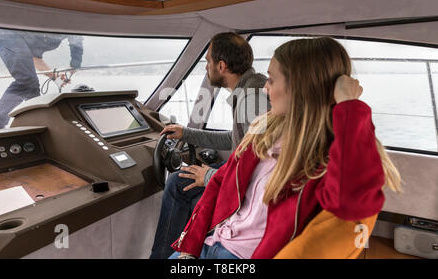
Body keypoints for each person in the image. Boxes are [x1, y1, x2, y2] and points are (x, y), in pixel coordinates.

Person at [170, 37, 402, 259]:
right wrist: (188, 250)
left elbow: (351, 203)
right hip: (211, 243)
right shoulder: (264, 133)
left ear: (300, 88)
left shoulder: (329, 161)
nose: (265, 88)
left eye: (271, 79)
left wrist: (350, 106)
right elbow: (221, 181)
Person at [150, 32, 270, 259]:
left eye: (207, 61)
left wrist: (210, 177)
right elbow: (235, 141)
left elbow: (263, 166)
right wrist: (187, 133)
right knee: (181, 180)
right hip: (242, 174)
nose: (206, 67)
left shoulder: (252, 99)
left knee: (177, 183)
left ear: (222, 66)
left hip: (250, 188)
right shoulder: (250, 89)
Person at [0, 28, 83, 131]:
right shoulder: (46, 29)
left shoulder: (39, 40)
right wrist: (75, 63)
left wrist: (56, 79)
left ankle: (37, 123)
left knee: (31, 85)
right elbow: (76, 37)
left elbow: (34, 59)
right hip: (4, 32)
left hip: (14, 35)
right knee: (27, 81)